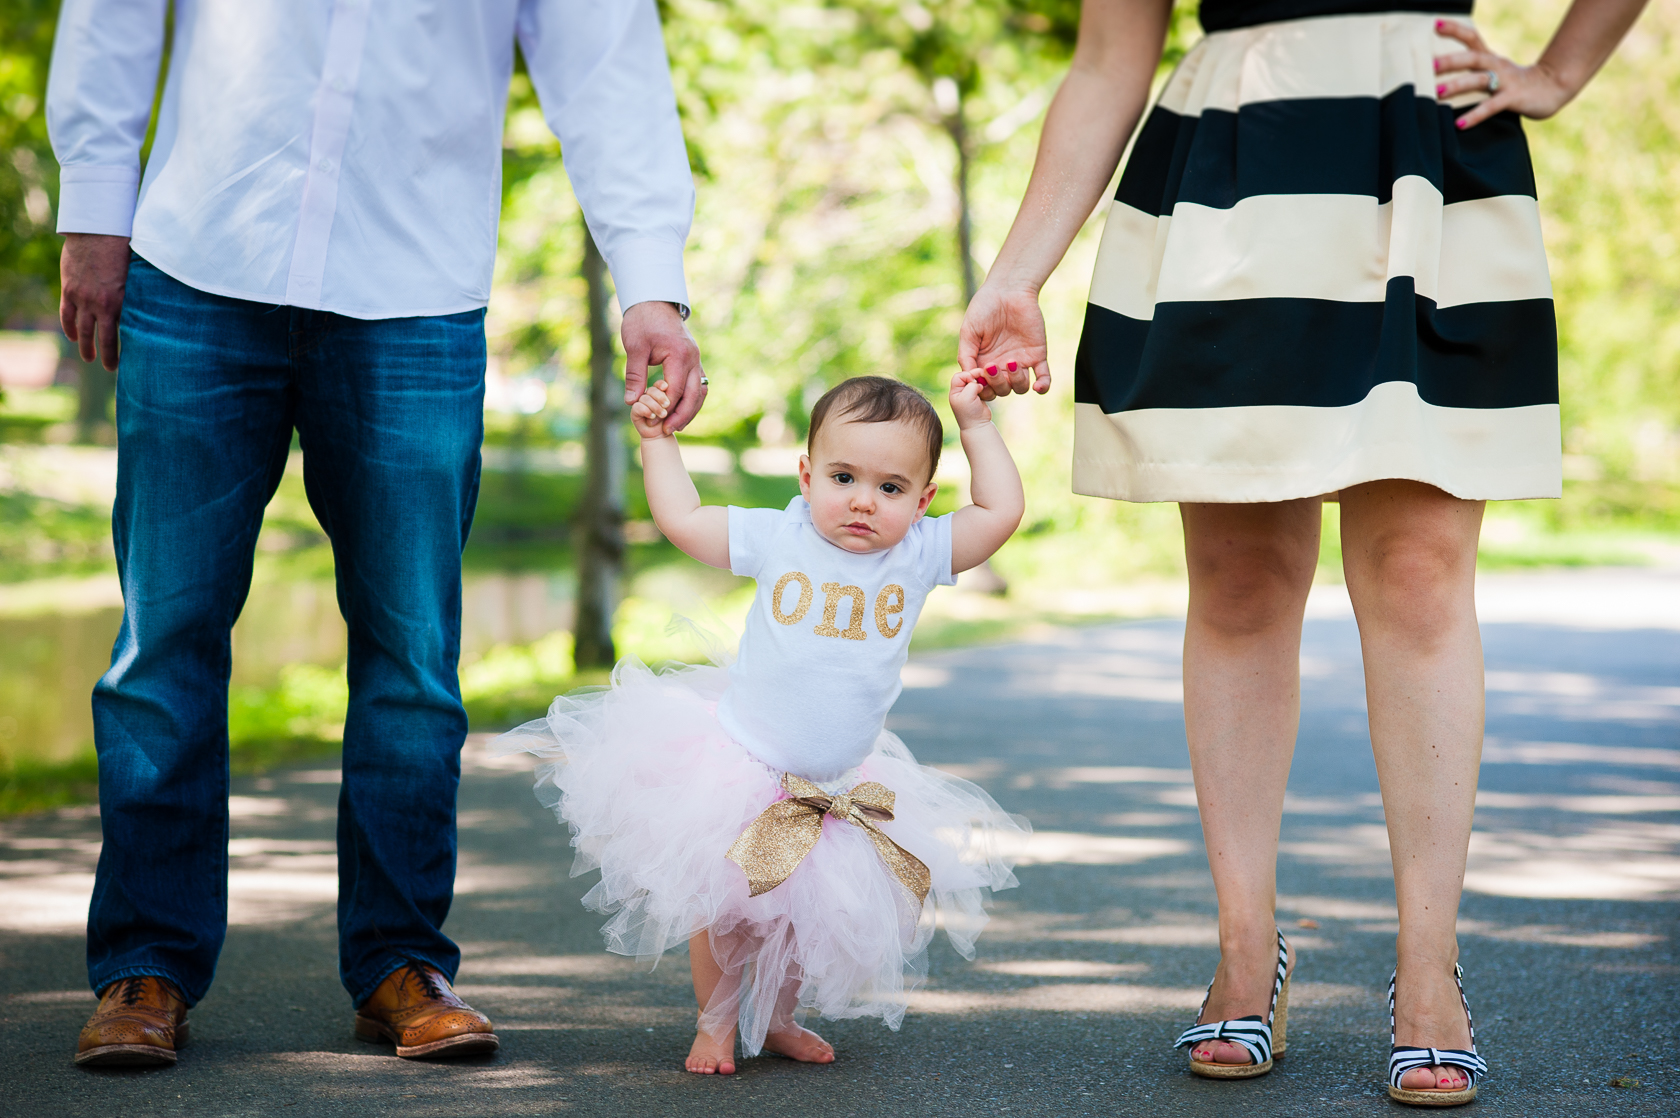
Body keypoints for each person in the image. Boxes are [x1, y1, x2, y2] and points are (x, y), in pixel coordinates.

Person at [957, 0, 1649, 1106]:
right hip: (1232, 172)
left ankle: (1430, 966)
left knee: (1420, 567)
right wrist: (1015, 273)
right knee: (1238, 577)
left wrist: (1562, 70)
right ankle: (1245, 942)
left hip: (1424, 155)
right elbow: (1107, 57)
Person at [48, 0, 703, 1067]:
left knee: (411, 660)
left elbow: (607, 61)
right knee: (163, 644)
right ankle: (145, 965)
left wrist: (650, 281)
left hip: (415, 289)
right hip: (200, 258)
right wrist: (92, 203)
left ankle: (403, 963)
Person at [495, 374, 1030, 1073]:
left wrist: (976, 425)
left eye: (891, 488)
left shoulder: (921, 553)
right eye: (843, 477)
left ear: (924, 500)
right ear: (807, 475)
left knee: (801, 913)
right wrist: (658, 442)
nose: (863, 501)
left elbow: (1000, 511)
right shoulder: (781, 533)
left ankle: (778, 1019)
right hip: (743, 770)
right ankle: (714, 1023)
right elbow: (683, 520)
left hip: (838, 781)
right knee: (725, 909)